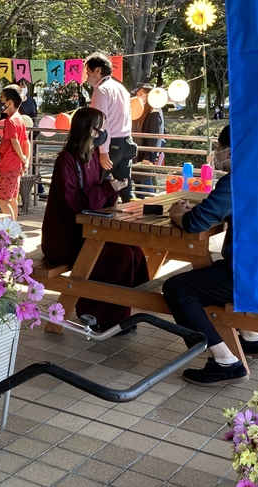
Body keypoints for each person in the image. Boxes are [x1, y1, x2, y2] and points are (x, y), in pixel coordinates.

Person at [161, 126, 258, 387]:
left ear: (231, 150)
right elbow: (216, 210)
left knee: (178, 288)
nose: (216, 154)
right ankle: (253, 338)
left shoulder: (238, 181)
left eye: (219, 148)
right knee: (212, 275)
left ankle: (225, 362)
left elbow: (195, 222)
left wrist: (176, 214)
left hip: (250, 276)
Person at [41, 107, 148, 331]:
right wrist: (108, 188)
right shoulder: (66, 160)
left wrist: (113, 188)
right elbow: (72, 203)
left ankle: (122, 306)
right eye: (101, 126)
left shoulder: (91, 158)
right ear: (90, 130)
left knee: (134, 249)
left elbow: (97, 192)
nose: (104, 131)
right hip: (66, 237)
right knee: (121, 256)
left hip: (87, 230)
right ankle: (104, 319)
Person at [87, 52, 135, 202]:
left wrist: (103, 150)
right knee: (125, 187)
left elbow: (101, 123)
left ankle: (92, 216)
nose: (87, 76)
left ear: (97, 71)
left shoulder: (101, 90)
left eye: (88, 72)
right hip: (126, 141)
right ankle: (135, 218)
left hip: (110, 143)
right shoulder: (121, 88)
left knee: (93, 181)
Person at [0, 85, 30, 221]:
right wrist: (26, 160)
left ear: (9, 102)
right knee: (12, 199)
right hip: (15, 165)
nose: (0, 102)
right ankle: (14, 230)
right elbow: (26, 142)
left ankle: (10, 230)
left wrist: (23, 158)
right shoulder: (19, 118)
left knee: (2, 199)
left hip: (9, 164)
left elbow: (15, 142)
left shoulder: (10, 121)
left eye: (2, 99)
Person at [131, 84, 166, 196]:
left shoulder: (153, 113)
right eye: (137, 94)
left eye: (141, 94)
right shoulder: (137, 112)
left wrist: (148, 156)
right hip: (135, 154)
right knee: (138, 184)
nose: (138, 96)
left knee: (145, 183)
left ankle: (149, 206)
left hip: (145, 155)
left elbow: (154, 137)